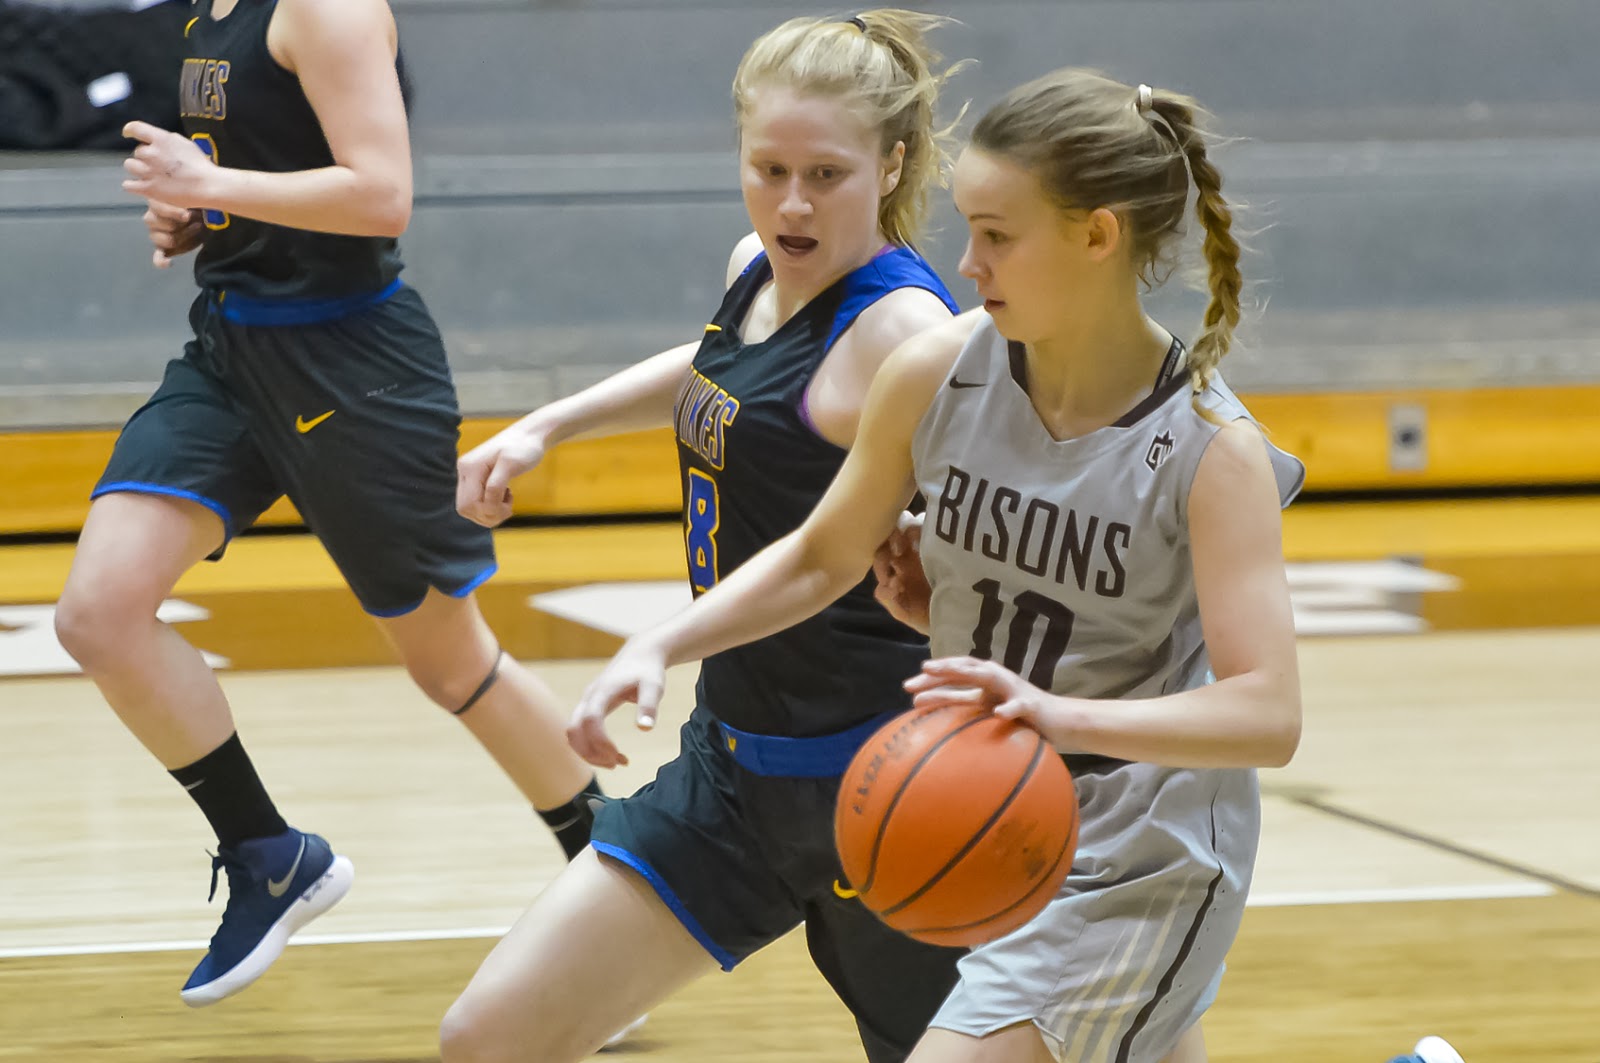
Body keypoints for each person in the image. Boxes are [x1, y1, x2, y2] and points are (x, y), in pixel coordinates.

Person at [566, 68, 1310, 1063]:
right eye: (967, 228)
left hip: (1139, 859)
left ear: (1097, 236)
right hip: (996, 819)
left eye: (998, 235)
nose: (966, 263)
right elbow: (822, 556)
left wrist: (1060, 717)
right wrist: (665, 639)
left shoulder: (1210, 451)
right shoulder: (939, 372)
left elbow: (1267, 713)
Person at [52, 0, 606, 1009]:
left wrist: (213, 181)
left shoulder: (326, 6)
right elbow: (278, 164)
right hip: (232, 351)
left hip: (353, 368)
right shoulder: (204, 12)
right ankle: (267, 854)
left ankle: (623, 896)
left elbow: (381, 193)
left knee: (452, 665)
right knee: (98, 612)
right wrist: (203, 212)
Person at [444, 11, 972, 1062]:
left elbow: (832, 558)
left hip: (888, 787)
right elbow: (722, 365)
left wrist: (659, 640)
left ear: (892, 162)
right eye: (767, 166)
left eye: (826, 173)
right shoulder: (759, 271)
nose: (791, 202)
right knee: (487, 1037)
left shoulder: (903, 336)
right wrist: (552, 421)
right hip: (733, 772)